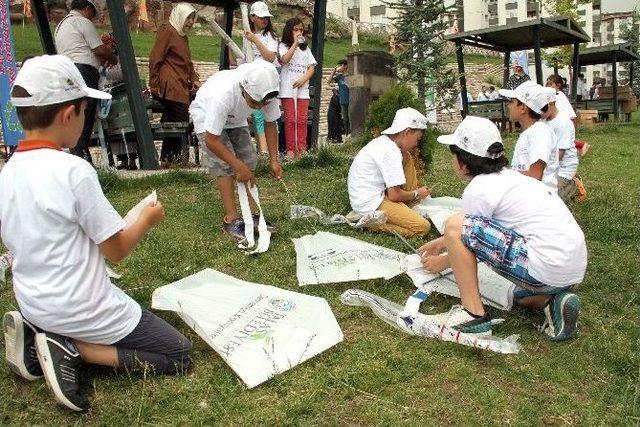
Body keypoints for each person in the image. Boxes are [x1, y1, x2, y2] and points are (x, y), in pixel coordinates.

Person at [1, 55, 191, 412]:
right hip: (80, 308)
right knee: (178, 353)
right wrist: (147, 218)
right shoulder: (73, 170)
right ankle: (70, 347)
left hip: (33, 301)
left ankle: (38, 331)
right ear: (69, 114)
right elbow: (116, 250)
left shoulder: (8, 172)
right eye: (86, 111)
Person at [419, 115, 586, 340]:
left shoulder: (479, 188)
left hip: (544, 265)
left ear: (462, 161)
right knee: (511, 293)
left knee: (454, 225)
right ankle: (553, 302)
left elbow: (463, 235)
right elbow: (476, 231)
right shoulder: (514, 178)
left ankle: (472, 315)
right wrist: (440, 243)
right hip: (570, 269)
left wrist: (442, 261)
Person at [189, 59, 283, 242]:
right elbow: (212, 140)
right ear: (244, 90)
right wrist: (237, 166)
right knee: (223, 165)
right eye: (255, 103)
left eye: (262, 104)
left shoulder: (267, 90)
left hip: (236, 118)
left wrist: (274, 160)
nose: (259, 108)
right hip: (206, 115)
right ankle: (232, 219)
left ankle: (251, 215)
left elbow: (271, 124)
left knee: (248, 159)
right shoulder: (223, 95)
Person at [347, 108, 432, 237]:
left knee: (407, 156)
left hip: (372, 196)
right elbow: (394, 195)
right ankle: (372, 223)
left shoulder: (387, 144)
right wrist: (416, 194)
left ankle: (407, 206)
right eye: (417, 139)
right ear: (407, 132)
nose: (416, 144)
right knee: (423, 227)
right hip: (371, 203)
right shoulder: (390, 152)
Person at [54, 0, 118, 165]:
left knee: (74, 113)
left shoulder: (61, 26)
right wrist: (112, 57)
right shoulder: (82, 22)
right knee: (86, 113)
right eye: (93, 13)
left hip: (67, 72)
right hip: (83, 71)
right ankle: (80, 151)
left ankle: (77, 150)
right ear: (87, 8)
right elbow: (99, 49)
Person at [149, 2, 200, 167]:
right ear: (180, 16)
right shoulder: (168, 30)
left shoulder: (182, 36)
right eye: (188, 18)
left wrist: (194, 78)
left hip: (180, 83)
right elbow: (155, 58)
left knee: (173, 121)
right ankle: (177, 159)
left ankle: (167, 160)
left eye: (193, 18)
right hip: (170, 85)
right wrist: (154, 82)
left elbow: (188, 62)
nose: (191, 22)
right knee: (180, 119)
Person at [234, 1, 279, 156]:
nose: (264, 20)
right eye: (261, 17)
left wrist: (255, 40)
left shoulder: (270, 37)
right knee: (256, 115)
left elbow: (270, 57)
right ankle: (262, 149)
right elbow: (243, 59)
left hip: (267, 80)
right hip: (251, 81)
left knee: (269, 117)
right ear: (252, 18)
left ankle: (269, 151)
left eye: (266, 17)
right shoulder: (247, 36)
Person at [499, 81, 559, 191]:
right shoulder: (530, 132)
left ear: (523, 107)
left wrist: (501, 174)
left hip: (540, 200)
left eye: (512, 102)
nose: (508, 106)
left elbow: (535, 176)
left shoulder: (541, 132)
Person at [278, 17, 317, 158]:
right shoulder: (283, 45)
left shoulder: (306, 49)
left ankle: (302, 149)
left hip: (302, 90)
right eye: (296, 30)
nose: (299, 32)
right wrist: (294, 44)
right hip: (288, 90)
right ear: (290, 31)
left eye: (301, 30)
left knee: (301, 120)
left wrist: (303, 79)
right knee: (290, 120)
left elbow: (312, 68)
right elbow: (284, 60)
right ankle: (290, 149)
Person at [540, 91, 581, 201]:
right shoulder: (543, 120)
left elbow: (559, 155)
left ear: (552, 103)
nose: (540, 112)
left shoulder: (563, 123)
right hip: (548, 167)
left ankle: (573, 185)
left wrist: (539, 165)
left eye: (543, 107)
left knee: (550, 199)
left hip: (563, 169)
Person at [328, 59, 350, 136]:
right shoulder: (339, 77)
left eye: (340, 65)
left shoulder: (351, 76)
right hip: (343, 101)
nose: (338, 67)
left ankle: (353, 135)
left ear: (345, 66)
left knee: (351, 118)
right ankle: (347, 135)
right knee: (345, 120)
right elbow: (329, 81)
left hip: (351, 101)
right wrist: (334, 70)